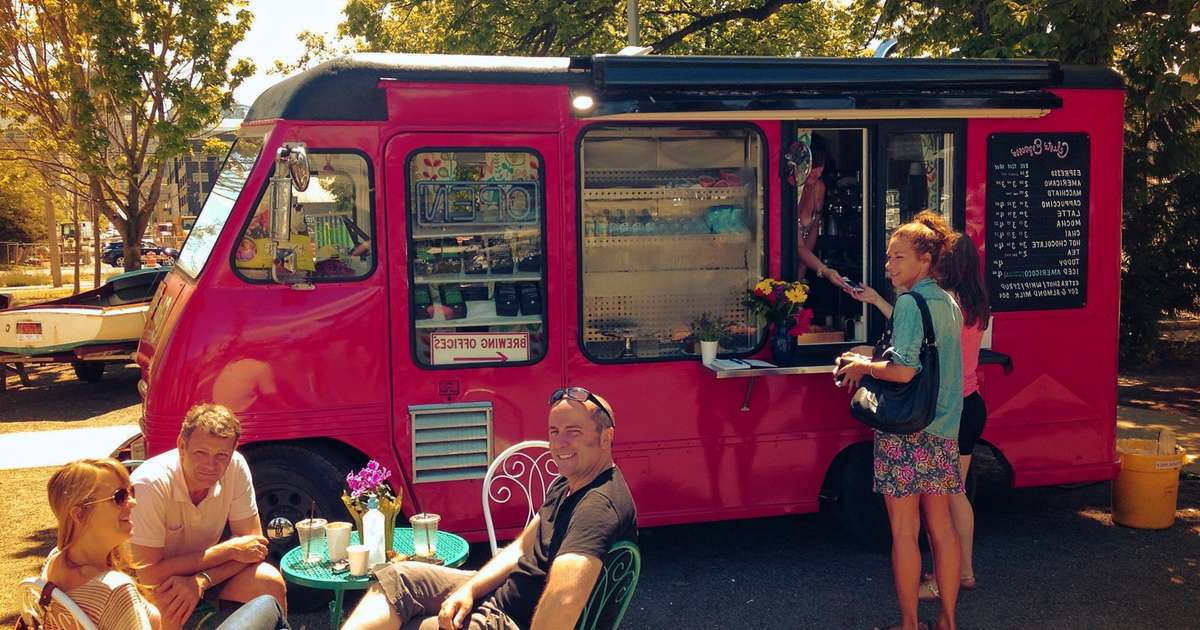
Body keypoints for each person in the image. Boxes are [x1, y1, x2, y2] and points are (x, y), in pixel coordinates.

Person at [341, 386, 638, 630]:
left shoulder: (597, 507)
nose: (560, 443)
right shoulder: (568, 483)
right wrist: (469, 590)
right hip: (503, 595)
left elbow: (564, 598)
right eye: (554, 431)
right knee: (399, 579)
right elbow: (521, 549)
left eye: (573, 431)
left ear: (606, 437)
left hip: (510, 621)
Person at [836, 212, 964, 630]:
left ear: (924, 260)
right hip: (943, 429)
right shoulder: (948, 301)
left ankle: (910, 624)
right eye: (889, 257)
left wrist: (864, 364)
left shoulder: (910, 303)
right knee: (941, 531)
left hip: (907, 433)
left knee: (905, 533)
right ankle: (947, 621)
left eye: (898, 257)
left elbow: (904, 371)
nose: (889, 265)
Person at [849, 229, 992, 602]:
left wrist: (867, 361)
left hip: (936, 411)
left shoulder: (933, 301)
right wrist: (882, 301)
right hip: (966, 403)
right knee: (952, 501)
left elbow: (910, 357)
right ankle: (959, 580)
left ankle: (952, 577)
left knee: (934, 513)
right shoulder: (968, 305)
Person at [40, 458, 288, 630]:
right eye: (119, 497)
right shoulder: (115, 590)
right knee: (268, 607)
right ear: (79, 514)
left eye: (131, 493)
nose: (133, 504)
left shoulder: (56, 562)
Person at [130, 404, 287, 628]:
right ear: (181, 446)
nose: (210, 465)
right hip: (157, 584)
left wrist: (201, 581)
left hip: (207, 574)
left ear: (232, 452)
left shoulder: (235, 466)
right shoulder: (150, 484)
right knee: (169, 602)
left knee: (269, 581)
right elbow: (148, 574)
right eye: (201, 453)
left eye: (221, 455)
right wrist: (228, 550)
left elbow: (254, 550)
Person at [790, 141, 851, 291]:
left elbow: (814, 226)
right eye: (812, 170)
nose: (816, 176)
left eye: (820, 173)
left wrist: (802, 275)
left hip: (805, 257)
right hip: (785, 255)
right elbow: (797, 245)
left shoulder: (819, 187)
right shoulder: (791, 190)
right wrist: (824, 270)